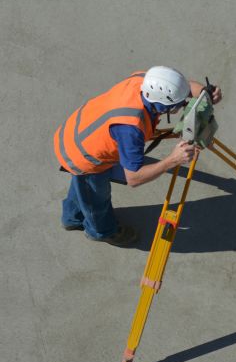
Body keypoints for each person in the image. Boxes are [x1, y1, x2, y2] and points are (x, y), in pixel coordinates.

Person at [53, 66, 223, 246]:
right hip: (84, 156)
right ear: (163, 104)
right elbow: (134, 178)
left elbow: (186, 87)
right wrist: (173, 159)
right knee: (96, 198)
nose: (184, 104)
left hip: (79, 131)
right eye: (180, 103)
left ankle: (71, 219)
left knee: (83, 189)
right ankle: (101, 231)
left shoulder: (146, 81)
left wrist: (205, 93)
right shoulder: (131, 129)